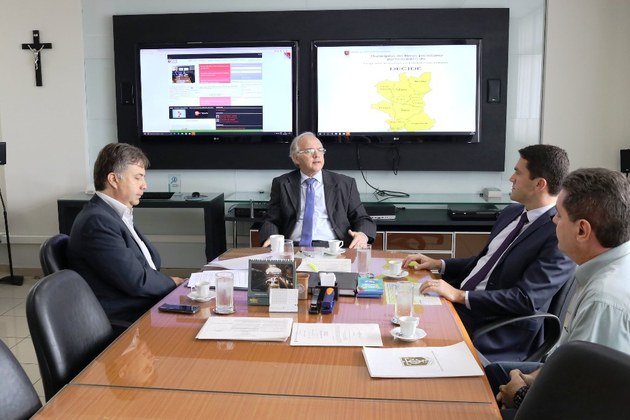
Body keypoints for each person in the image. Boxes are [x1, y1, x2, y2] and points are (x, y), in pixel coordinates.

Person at [403, 144, 576, 362]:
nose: (511, 178)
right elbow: (488, 263)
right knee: (399, 309)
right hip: (463, 306)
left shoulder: (558, 233)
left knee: (405, 334)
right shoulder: (512, 213)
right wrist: (438, 264)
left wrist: (459, 295)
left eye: (518, 173)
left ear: (539, 184)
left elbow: (526, 300)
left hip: (494, 327)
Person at [489, 168, 630, 413]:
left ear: (582, 230)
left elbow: (587, 400)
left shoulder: (603, 300)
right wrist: (533, 378)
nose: (553, 221)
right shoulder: (605, 268)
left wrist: (520, 395)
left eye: (559, 215)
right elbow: (573, 365)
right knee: (493, 373)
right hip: (565, 376)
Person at [67, 143, 185, 327]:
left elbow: (146, 267)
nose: (144, 185)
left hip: (145, 305)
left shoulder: (113, 214)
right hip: (129, 319)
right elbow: (136, 280)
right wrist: (173, 283)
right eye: (138, 178)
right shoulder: (97, 222)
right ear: (114, 180)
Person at [259, 132, 376, 248]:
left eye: (320, 150)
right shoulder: (282, 183)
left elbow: (362, 219)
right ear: (296, 158)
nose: (317, 155)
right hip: (294, 247)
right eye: (310, 151)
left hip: (333, 247)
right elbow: (271, 220)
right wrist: (271, 236)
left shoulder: (345, 183)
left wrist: (362, 235)